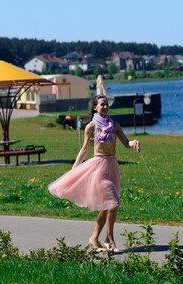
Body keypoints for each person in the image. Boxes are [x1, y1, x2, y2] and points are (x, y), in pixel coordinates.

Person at [48, 95, 141, 252]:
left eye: (106, 105)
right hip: (98, 167)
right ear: (95, 108)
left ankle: (94, 238)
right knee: (114, 203)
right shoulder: (91, 127)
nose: (105, 107)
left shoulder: (115, 125)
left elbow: (126, 143)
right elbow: (84, 150)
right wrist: (74, 171)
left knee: (106, 207)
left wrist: (134, 143)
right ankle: (110, 240)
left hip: (112, 166)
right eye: (102, 105)